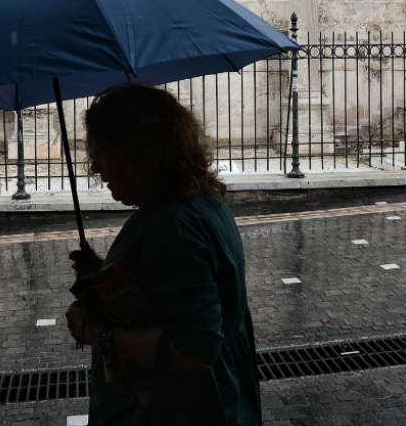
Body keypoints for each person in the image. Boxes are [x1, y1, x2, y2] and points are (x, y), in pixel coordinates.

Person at [64, 84, 261, 425]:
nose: (96, 167)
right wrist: (109, 278)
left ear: (136, 153)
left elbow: (193, 349)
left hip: (179, 409)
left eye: (102, 151)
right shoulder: (200, 201)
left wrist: (94, 333)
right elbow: (167, 291)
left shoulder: (176, 226)